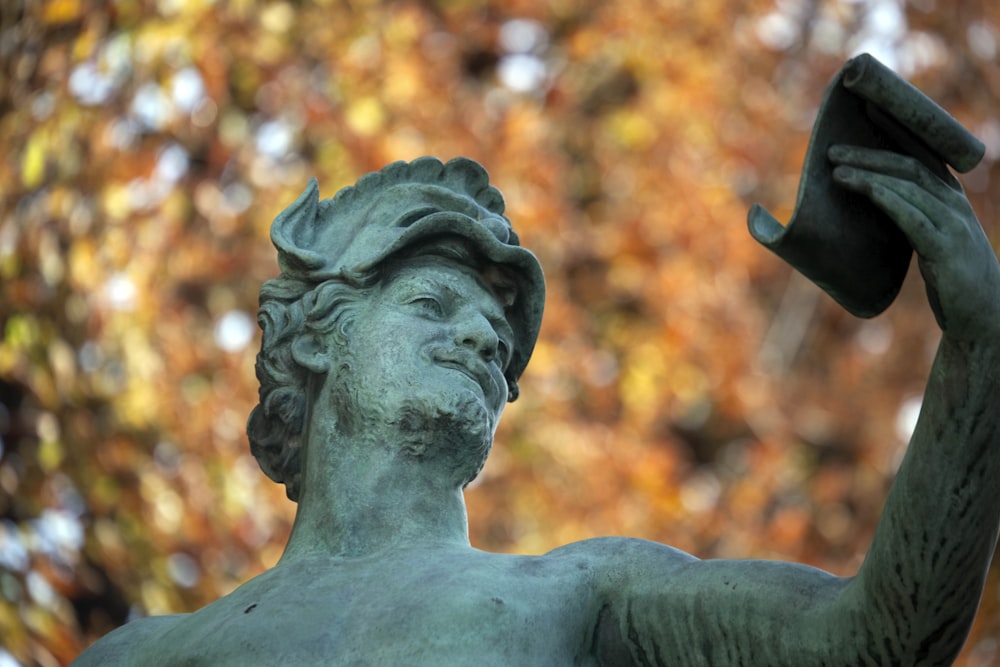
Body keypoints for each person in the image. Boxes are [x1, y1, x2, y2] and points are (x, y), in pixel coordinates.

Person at [73, 141, 1000, 665]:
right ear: (317, 335)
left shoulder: (577, 593)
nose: (482, 338)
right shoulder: (140, 659)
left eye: (496, 330)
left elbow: (878, 640)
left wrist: (981, 355)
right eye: (433, 303)